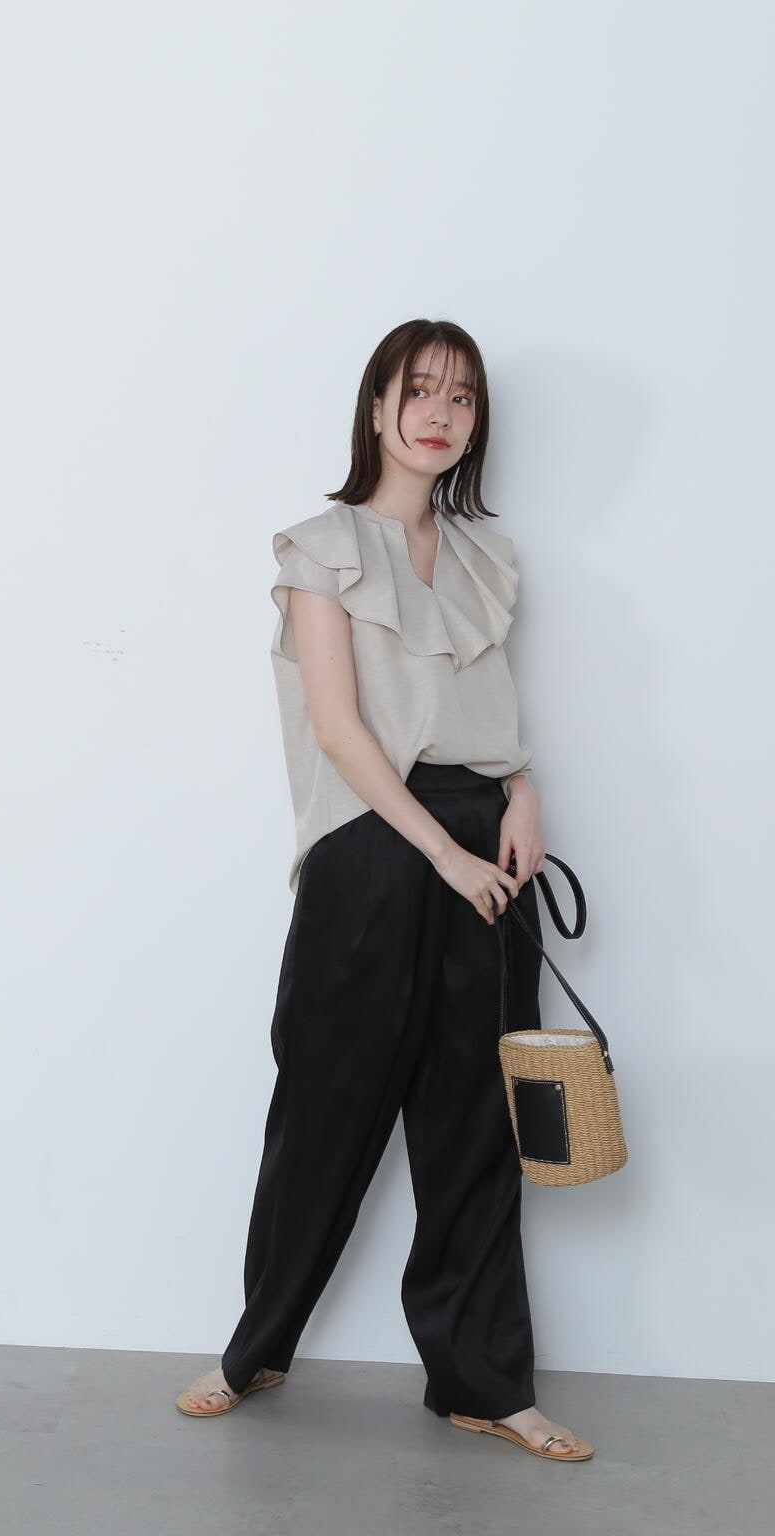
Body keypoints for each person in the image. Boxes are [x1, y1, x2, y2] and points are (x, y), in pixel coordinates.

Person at [173, 318, 594, 1463]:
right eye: (417, 390)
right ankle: (253, 1348)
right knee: (325, 1103)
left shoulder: (482, 559)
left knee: (476, 1120)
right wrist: (439, 855)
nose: (438, 414)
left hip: (482, 842)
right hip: (370, 843)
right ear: (374, 406)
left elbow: (490, 715)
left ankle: (481, 1382)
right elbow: (337, 728)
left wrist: (519, 798)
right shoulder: (321, 548)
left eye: (459, 397)